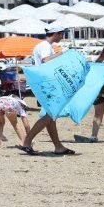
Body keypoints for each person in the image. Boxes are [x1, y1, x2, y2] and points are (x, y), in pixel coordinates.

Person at [16, 26, 74, 155]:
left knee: (51, 116)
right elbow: (46, 60)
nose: (62, 37)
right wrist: (62, 53)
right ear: (57, 34)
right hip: (46, 84)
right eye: (62, 35)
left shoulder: (44, 45)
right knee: (50, 114)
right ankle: (27, 142)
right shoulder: (45, 45)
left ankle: (58, 146)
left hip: (43, 83)